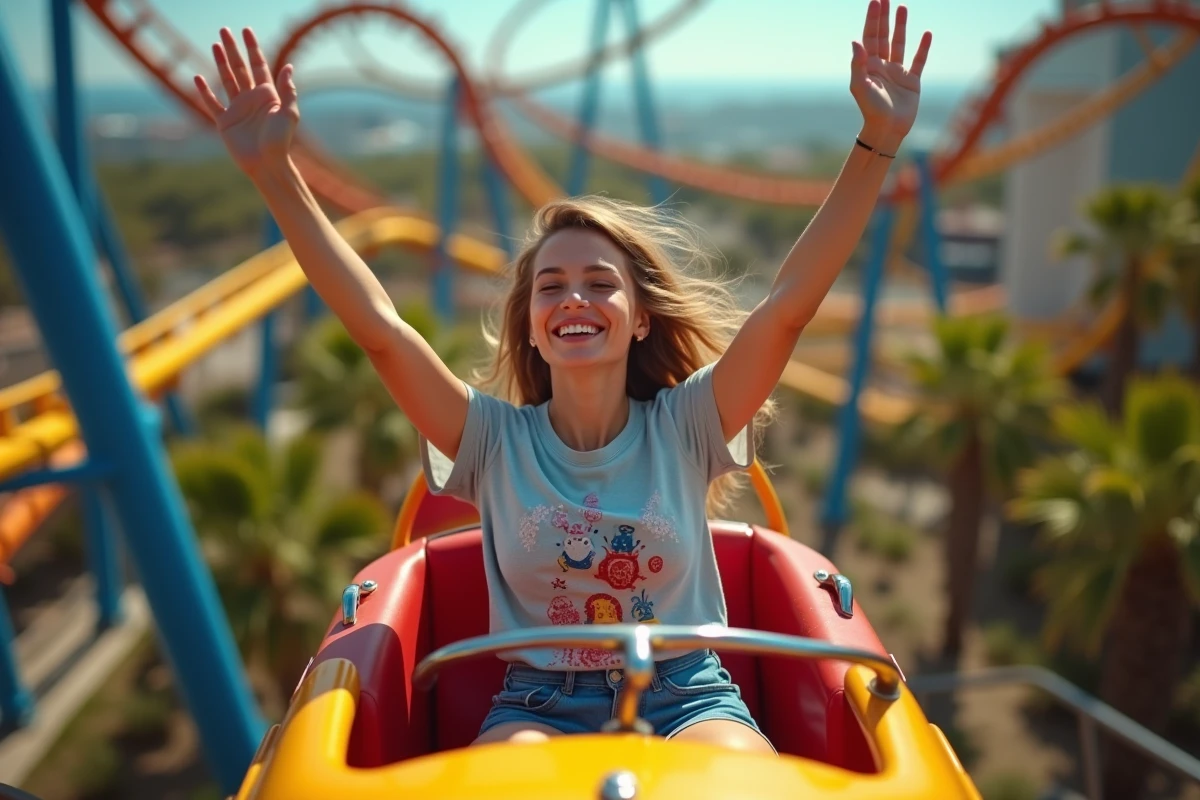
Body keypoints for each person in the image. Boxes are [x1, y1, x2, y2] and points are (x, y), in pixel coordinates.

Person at [194, 0, 931, 756]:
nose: (574, 299)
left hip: (686, 689)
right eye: (551, 287)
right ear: (534, 327)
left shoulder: (689, 424)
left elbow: (785, 310)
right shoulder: (490, 441)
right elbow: (381, 332)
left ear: (640, 318)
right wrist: (274, 170)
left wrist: (877, 140)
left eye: (599, 283)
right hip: (539, 703)